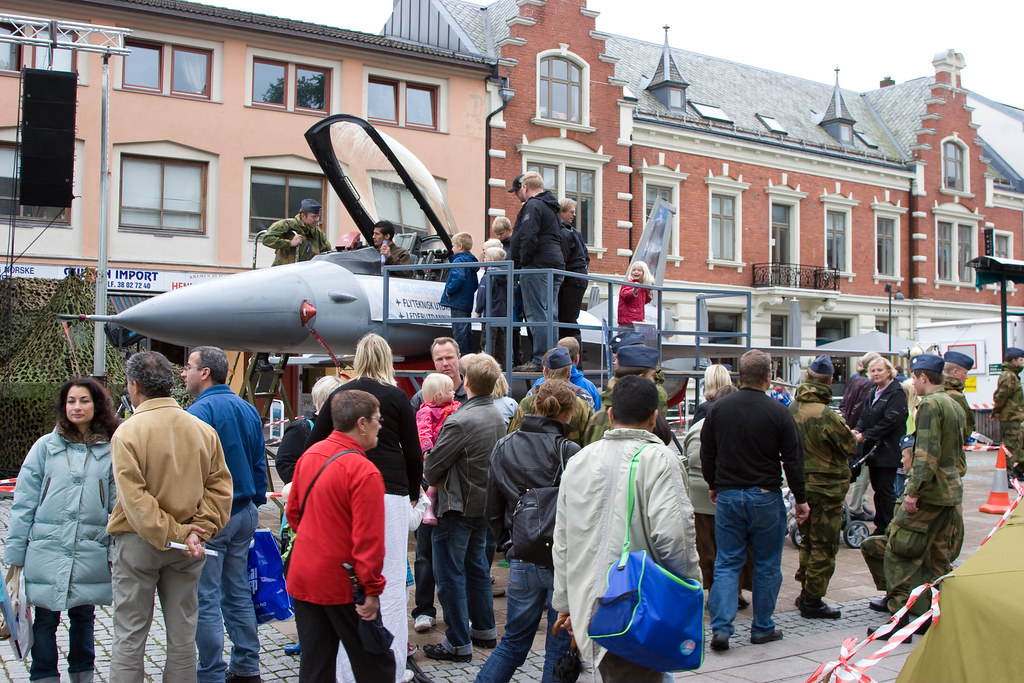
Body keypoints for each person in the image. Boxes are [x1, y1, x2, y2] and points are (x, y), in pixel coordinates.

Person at [552, 375, 700, 682]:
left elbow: (563, 540)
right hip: (636, 605)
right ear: (654, 418)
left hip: (587, 606)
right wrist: (688, 590)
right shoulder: (660, 460)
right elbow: (675, 540)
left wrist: (565, 603)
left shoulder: (580, 460)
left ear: (610, 415)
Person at [106, 351, 233, 681]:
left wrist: (177, 533)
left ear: (134, 386)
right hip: (189, 544)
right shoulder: (202, 430)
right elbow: (220, 488)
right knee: (182, 635)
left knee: (130, 634)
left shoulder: (128, 433)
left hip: (139, 542)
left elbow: (135, 500)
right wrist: (197, 531)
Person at [305, 333, 420, 682]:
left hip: (345, 488)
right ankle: (393, 664)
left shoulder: (342, 395)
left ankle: (345, 669)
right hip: (390, 491)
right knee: (392, 580)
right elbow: (413, 452)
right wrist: (413, 493)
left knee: (349, 579)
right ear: (386, 359)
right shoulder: (398, 397)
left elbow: (315, 441)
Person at [5, 378, 120, 683]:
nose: (77, 407)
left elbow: (117, 505)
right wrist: (15, 555)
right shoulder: (45, 447)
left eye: (84, 400)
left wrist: (114, 550)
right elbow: (24, 503)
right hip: (46, 550)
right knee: (44, 620)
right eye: (71, 401)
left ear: (97, 406)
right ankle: (43, 677)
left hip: (89, 550)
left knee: (83, 618)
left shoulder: (110, 450)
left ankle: (82, 675)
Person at [700, 349, 808, 651]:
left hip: (729, 495)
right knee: (767, 564)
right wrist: (801, 499)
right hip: (765, 495)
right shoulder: (779, 412)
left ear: (739, 375)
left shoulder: (718, 410)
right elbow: (793, 460)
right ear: (769, 376)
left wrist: (714, 484)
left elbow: (707, 452)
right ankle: (762, 627)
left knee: (727, 562)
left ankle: (721, 629)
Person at [286, 389, 395, 682]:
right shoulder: (364, 471)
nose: (380, 425)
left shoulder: (311, 454)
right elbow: (368, 540)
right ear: (361, 423)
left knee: (315, 664)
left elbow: (293, 514)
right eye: (377, 419)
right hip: (342, 582)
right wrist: (371, 589)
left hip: (304, 574)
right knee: (375, 663)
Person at [476, 381, 578, 683]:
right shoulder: (569, 450)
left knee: (513, 643)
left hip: (521, 556)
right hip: (562, 558)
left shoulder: (504, 445)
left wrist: (508, 542)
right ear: (569, 412)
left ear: (534, 406)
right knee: (558, 645)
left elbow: (491, 507)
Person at [183, 346, 267, 683]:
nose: (184, 373)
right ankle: (247, 666)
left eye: (189, 366)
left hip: (214, 518)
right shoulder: (247, 409)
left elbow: (191, 473)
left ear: (205, 373)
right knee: (237, 592)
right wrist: (255, 502)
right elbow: (259, 464)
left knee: (206, 598)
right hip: (244, 512)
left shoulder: (197, 414)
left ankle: (212, 672)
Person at [870, 354, 965, 636]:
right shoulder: (953, 402)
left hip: (930, 492)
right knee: (937, 557)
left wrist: (914, 491)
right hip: (949, 492)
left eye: (914, 377)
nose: (913, 382)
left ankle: (900, 619)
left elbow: (926, 455)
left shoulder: (931, 405)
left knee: (898, 551)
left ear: (924, 377)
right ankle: (930, 614)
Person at [422, 354, 506, 662]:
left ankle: (457, 642)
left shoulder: (460, 420)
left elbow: (433, 468)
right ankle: (484, 630)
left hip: (456, 507)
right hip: (482, 506)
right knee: (478, 570)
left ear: (466, 381)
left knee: (450, 575)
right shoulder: (496, 414)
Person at [790, 355, 857, 620]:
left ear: (808, 377)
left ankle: (806, 590)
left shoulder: (792, 408)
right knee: (824, 546)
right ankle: (812, 599)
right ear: (830, 381)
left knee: (807, 540)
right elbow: (850, 445)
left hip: (802, 486)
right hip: (827, 490)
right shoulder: (827, 414)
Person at [409, 337, 466, 632]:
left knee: (462, 555)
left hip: (462, 488)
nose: (445, 364)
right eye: (439, 359)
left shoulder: (469, 394)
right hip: (428, 486)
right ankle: (423, 609)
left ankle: (460, 611)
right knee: (425, 553)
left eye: (449, 357)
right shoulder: (421, 399)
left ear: (459, 357)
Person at [683, 384, 753, 609]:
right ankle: (729, 592)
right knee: (726, 549)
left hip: (706, 497)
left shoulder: (700, 427)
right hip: (716, 497)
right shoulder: (742, 424)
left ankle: (723, 592)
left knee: (710, 549)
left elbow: (691, 458)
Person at [508, 171, 565, 372]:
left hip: (537, 266)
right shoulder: (553, 207)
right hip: (555, 265)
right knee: (551, 315)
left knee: (537, 315)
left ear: (525, 187)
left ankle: (541, 358)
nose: (518, 195)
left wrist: (521, 263)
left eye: (518, 191)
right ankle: (554, 359)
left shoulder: (532, 205)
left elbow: (528, 236)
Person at [852, 356, 908, 536]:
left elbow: (890, 421)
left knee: (885, 490)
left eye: (880, 370)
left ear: (889, 371)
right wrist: (858, 429)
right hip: (873, 450)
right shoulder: (873, 391)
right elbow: (865, 415)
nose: (876, 374)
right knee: (878, 489)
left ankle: (887, 527)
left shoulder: (896, 392)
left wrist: (866, 435)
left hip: (887, 449)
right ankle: (881, 524)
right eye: (873, 371)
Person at [508, 348, 595, 447]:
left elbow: (512, 441)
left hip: (533, 461)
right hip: (571, 460)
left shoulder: (528, 402)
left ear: (544, 371)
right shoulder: (583, 405)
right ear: (569, 373)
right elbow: (591, 445)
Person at [583, 344, 669, 445]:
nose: (654, 380)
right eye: (651, 376)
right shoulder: (644, 417)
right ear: (640, 378)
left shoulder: (597, 417)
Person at [275, 375, 345, 485]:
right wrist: (309, 483)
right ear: (319, 400)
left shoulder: (343, 427)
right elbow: (284, 463)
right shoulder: (301, 427)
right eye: (328, 400)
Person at [416, 372, 461, 527]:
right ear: (438, 396)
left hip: (450, 449)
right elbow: (424, 432)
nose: (454, 392)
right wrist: (427, 452)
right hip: (436, 451)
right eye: (450, 390)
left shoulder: (455, 407)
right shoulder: (425, 412)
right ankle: (429, 506)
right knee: (434, 478)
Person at [843, 352, 882, 522]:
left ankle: (859, 504)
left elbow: (846, 404)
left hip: (853, 429)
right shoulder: (867, 383)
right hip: (860, 433)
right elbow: (862, 410)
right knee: (862, 472)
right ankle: (856, 506)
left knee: (858, 470)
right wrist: (862, 430)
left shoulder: (855, 379)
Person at [528, 337, 601, 409]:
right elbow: (597, 418)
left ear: (544, 372)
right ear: (577, 358)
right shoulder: (589, 388)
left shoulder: (538, 385)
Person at [557, 198, 590, 346]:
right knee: (569, 320)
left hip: (571, 279)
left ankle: (573, 359)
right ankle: (574, 359)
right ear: (562, 211)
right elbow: (585, 256)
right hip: (578, 278)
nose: (574, 214)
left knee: (567, 321)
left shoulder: (565, 232)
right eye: (572, 211)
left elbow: (563, 257)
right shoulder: (574, 233)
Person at [441, 231, 479, 355]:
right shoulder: (471, 261)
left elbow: (458, 277)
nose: (451, 249)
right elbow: (474, 283)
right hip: (466, 301)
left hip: (457, 301)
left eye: (453, 246)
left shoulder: (459, 261)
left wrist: (449, 290)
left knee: (459, 332)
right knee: (466, 330)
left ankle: (461, 356)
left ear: (460, 246)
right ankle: (468, 354)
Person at [262, 197, 331, 266]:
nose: (317, 219)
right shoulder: (288, 225)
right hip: (284, 270)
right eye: (314, 217)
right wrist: (290, 243)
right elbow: (267, 239)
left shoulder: (317, 233)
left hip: (306, 272)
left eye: (318, 216)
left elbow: (328, 252)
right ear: (303, 216)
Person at [991, 346, 1024, 479]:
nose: (1022, 363)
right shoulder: (1009, 376)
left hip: (1015, 416)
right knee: (1010, 446)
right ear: (1014, 360)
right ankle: (1005, 476)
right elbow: (1002, 396)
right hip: (1011, 417)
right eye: (1021, 360)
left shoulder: (1013, 375)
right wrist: (996, 411)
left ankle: (1017, 471)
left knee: (1017, 445)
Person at [475, 245, 509, 368]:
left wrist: (478, 311)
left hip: (490, 314)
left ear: (491, 261)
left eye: (486, 257)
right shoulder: (506, 275)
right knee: (501, 343)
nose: (484, 260)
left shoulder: (488, 276)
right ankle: (503, 367)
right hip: (502, 314)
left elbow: (483, 295)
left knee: (487, 342)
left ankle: (486, 367)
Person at [942, 351, 975, 444]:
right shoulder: (957, 397)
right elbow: (967, 428)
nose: (966, 377)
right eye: (965, 373)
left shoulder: (935, 391)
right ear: (955, 372)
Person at [617, 261, 653, 328]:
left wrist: (649, 292)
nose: (636, 272)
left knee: (636, 337)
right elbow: (626, 295)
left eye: (639, 270)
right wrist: (634, 290)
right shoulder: (628, 283)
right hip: (627, 321)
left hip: (638, 320)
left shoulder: (643, 287)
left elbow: (644, 301)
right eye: (634, 270)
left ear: (644, 273)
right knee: (626, 336)